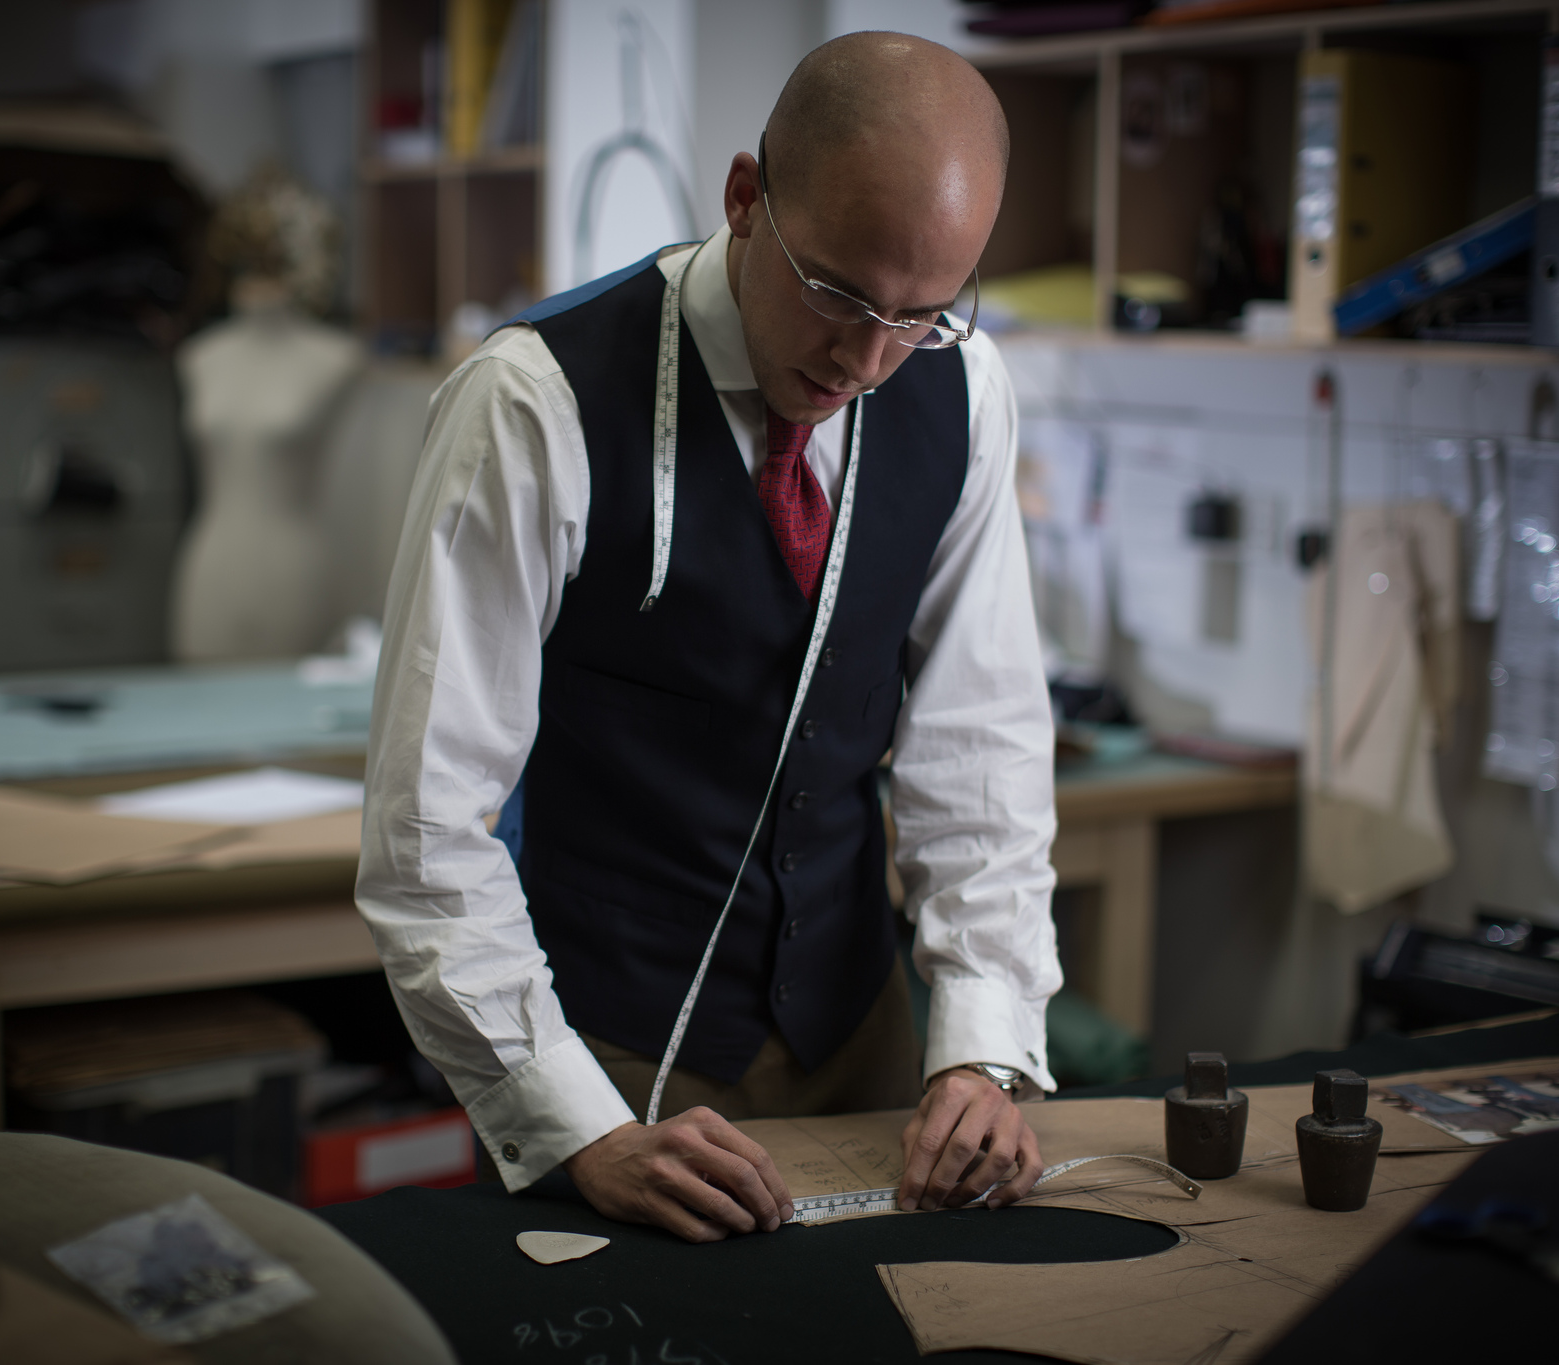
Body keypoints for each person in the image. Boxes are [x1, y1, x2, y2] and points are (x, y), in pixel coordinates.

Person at [356, 32, 1063, 1244]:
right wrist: (574, 1123)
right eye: (837, 294)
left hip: (865, 1041)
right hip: (609, 1053)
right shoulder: (534, 400)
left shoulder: (962, 391)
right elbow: (425, 831)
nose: (863, 359)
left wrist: (982, 1051)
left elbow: (978, 743)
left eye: (919, 315)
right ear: (744, 199)